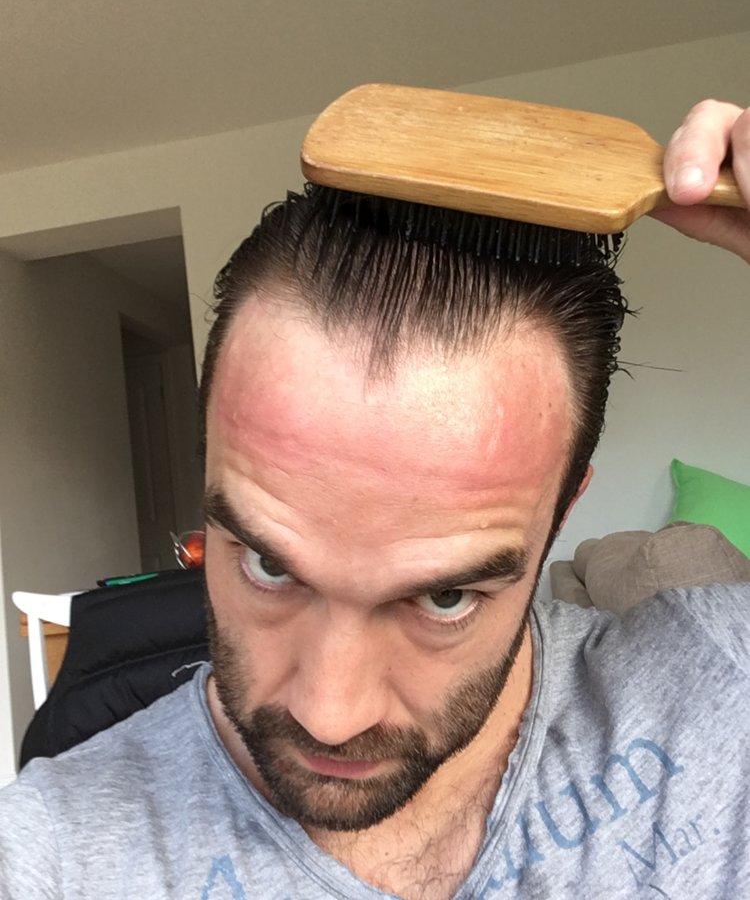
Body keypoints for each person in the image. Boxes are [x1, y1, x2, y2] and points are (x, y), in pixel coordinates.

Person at [0, 99, 748, 900]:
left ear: (562, 514)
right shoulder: (51, 855)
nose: (331, 714)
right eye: (267, 565)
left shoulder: (720, 690)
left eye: (444, 597)